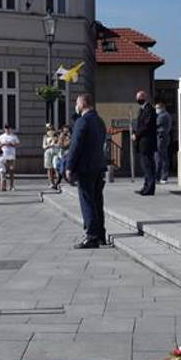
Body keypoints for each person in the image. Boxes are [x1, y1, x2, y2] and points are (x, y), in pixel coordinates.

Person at [62, 94, 107, 249]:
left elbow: (75, 146)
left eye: (77, 102)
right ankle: (100, 234)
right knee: (97, 201)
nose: (76, 105)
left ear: (83, 103)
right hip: (98, 166)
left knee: (87, 201)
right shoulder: (100, 121)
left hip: (85, 167)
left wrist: (69, 167)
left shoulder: (83, 121)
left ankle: (92, 236)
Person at [132, 90, 157, 196]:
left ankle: (150, 188)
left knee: (148, 165)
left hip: (147, 142)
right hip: (142, 143)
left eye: (139, 98)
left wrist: (136, 135)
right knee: (145, 165)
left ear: (144, 97)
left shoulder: (149, 109)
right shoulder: (142, 109)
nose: (138, 100)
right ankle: (146, 186)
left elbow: (146, 126)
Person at [0, 125, 20, 191]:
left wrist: (11, 144)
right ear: (4, 129)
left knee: (11, 171)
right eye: (6, 128)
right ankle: (3, 186)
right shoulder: (1, 136)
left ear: (10, 129)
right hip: (3, 156)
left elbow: (18, 144)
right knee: (3, 172)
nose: (7, 129)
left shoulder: (14, 136)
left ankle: (11, 186)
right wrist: (3, 144)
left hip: (11, 156)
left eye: (8, 128)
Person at [154, 101, 173, 184]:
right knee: (159, 157)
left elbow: (155, 124)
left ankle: (163, 177)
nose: (156, 110)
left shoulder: (163, 115)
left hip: (161, 137)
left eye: (157, 108)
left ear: (161, 108)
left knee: (161, 157)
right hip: (161, 137)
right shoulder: (163, 115)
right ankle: (158, 177)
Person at [42, 124, 61, 190]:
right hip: (48, 152)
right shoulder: (45, 136)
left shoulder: (57, 136)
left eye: (51, 128)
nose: (50, 130)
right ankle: (51, 183)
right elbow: (44, 146)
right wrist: (49, 145)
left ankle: (57, 182)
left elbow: (59, 144)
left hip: (55, 152)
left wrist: (54, 142)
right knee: (49, 168)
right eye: (49, 129)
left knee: (56, 167)